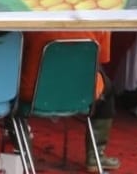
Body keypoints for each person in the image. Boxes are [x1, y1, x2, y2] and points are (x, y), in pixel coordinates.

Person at [19, 31, 117, 171]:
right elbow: (100, 59)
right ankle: (96, 156)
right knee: (107, 87)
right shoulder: (100, 24)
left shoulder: (31, 22)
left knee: (10, 96)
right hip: (81, 93)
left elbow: (17, 53)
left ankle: (22, 154)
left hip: (34, 92)